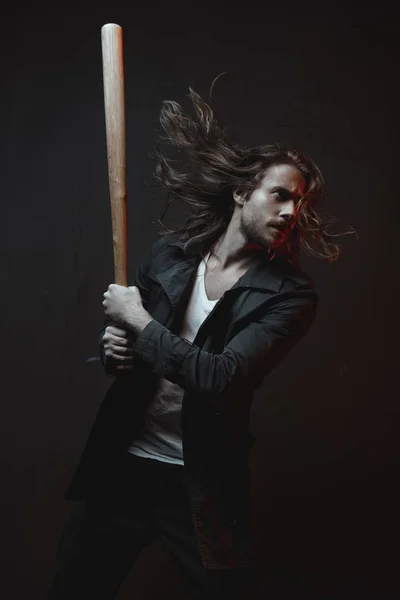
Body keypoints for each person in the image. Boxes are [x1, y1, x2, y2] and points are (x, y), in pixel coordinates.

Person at [46, 86, 342, 599]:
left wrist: (138, 324)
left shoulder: (290, 296)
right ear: (242, 193)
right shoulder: (170, 257)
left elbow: (218, 377)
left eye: (300, 202)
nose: (291, 211)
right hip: (125, 464)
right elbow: (133, 346)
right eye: (281, 194)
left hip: (200, 482)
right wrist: (115, 350)